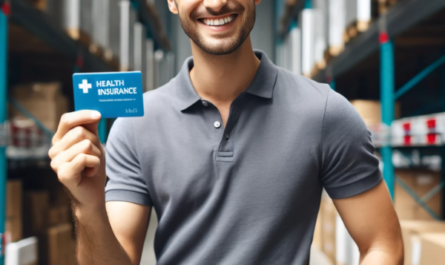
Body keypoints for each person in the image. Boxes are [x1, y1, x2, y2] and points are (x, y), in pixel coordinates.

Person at [48, 0, 404, 264]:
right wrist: (88, 205)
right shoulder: (135, 125)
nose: (216, 3)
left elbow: (382, 246)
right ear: (171, 2)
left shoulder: (325, 113)